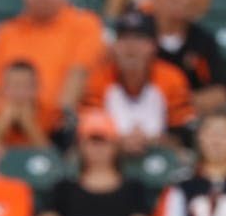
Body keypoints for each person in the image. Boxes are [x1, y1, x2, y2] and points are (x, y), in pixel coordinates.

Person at [0, 0, 106, 120]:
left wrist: (52, 121)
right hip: (9, 122)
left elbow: (77, 79)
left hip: (61, 123)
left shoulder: (85, 24)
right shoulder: (6, 32)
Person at [81, 11, 196, 157]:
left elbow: (184, 134)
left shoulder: (171, 78)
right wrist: (120, 141)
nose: (131, 46)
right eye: (124, 39)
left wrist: (150, 141)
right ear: (114, 46)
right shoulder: (98, 78)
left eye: (139, 39)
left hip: (161, 158)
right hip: (108, 161)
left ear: (154, 46)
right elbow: (88, 132)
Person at [40, 110, 154, 216]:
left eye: (103, 140)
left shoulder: (134, 190)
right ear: (80, 145)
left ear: (115, 144)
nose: (98, 147)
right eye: (92, 140)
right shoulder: (63, 190)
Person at [147, 0, 226, 113]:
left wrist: (176, 102)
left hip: (192, 124)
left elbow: (220, 93)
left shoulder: (204, 40)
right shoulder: (139, 36)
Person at [0, 60, 70, 151]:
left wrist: (29, 124)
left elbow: (55, 159)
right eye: (14, 86)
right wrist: (3, 121)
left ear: (37, 88)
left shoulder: (53, 116)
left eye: (26, 86)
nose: (19, 93)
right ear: (2, 89)